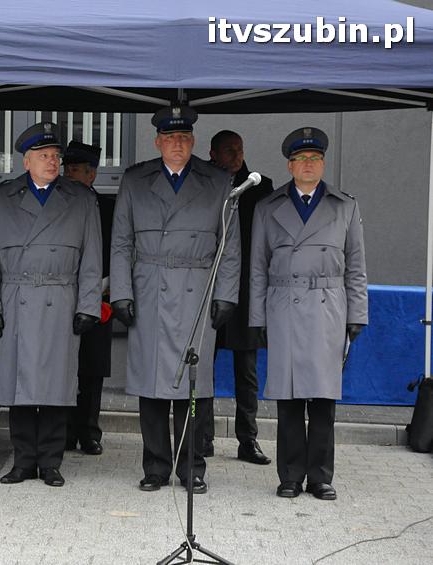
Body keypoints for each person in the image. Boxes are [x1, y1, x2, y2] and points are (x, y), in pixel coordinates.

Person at [110, 106, 240, 494]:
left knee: (192, 385)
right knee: (150, 386)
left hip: (196, 291)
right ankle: (155, 466)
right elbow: (121, 242)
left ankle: (191, 467)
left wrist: (226, 294)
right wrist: (121, 292)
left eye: (183, 138)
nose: (177, 144)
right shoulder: (136, 181)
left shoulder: (218, 182)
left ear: (193, 141)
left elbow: (229, 246)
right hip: (150, 289)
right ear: (158, 142)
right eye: (170, 138)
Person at [0, 123, 102, 487]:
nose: (53, 162)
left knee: (55, 385)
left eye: (55, 156)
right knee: (18, 385)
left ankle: (50, 462)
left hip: (60, 300)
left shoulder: (80, 199)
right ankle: (22, 461)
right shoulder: (2, 198)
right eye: (45, 155)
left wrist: (88, 306)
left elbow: (92, 259)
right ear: (26, 161)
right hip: (15, 299)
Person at [250, 127, 367, 500]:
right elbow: (257, 267)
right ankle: (289, 475)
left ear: (323, 164)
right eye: (301, 159)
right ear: (290, 165)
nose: (308, 165)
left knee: (322, 399)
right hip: (284, 306)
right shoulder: (267, 207)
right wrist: (257, 318)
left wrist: (357, 314)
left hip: (327, 308)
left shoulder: (344, 206)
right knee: (288, 399)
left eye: (315, 158)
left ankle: (320, 476)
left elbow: (356, 266)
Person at [205, 130, 273, 465]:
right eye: (229, 150)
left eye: (240, 149)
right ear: (213, 154)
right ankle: (202, 437)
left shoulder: (260, 186)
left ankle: (248, 440)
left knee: (246, 372)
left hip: (246, 293)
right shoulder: (202, 183)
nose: (236, 155)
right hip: (208, 289)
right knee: (203, 367)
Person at [62, 140, 115, 456]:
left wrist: (105, 285)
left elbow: (118, 249)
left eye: (76, 169)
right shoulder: (56, 204)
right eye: (67, 169)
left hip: (98, 296)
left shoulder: (107, 207)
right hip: (62, 297)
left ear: (91, 174)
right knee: (64, 366)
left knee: (92, 368)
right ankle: (65, 431)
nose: (69, 174)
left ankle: (89, 431)